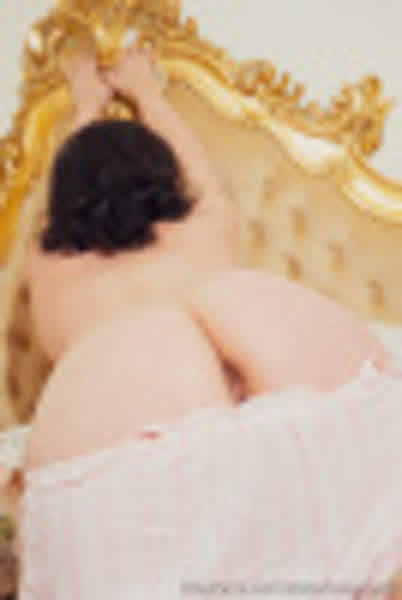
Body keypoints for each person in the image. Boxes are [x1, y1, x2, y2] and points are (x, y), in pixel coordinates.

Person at [13, 48, 401, 599]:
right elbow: (199, 173)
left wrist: (85, 107)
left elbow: (63, 195)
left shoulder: (52, 265)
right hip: (296, 403)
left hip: (121, 434)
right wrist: (148, 93)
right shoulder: (203, 226)